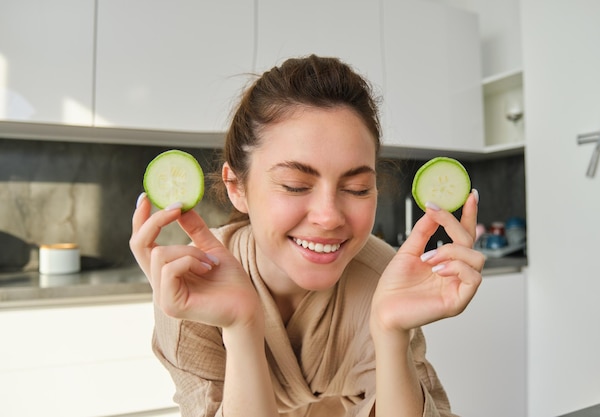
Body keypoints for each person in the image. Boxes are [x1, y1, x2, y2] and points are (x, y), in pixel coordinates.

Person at [130, 55, 484, 417]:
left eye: (358, 188)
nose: (329, 217)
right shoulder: (195, 284)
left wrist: (392, 334)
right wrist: (241, 326)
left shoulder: (384, 281)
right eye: (296, 186)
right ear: (237, 187)